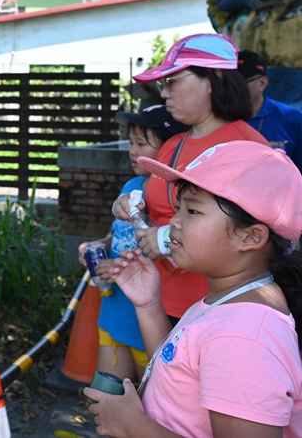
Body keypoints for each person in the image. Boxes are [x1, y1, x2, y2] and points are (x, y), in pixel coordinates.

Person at [85, 141, 302, 437]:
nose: (173, 222)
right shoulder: (230, 301)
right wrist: (148, 305)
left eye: (193, 211)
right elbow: (178, 370)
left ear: (251, 237)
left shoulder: (243, 335)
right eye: (178, 208)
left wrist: (132, 425)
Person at [115, 33, 268, 323]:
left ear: (214, 80)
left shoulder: (248, 147)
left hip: (220, 309)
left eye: (172, 82)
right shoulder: (173, 144)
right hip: (159, 301)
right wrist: (130, 202)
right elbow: (155, 201)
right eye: (162, 84)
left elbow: (258, 235)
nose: (163, 94)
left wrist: (166, 236)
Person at [78, 103, 189, 381]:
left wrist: (119, 266)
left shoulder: (177, 197)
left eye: (142, 143)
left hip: (145, 317)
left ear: (170, 148)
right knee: (106, 398)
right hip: (113, 309)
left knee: (147, 400)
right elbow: (118, 234)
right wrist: (101, 245)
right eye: (131, 142)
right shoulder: (130, 187)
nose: (133, 150)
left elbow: (173, 256)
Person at [237, 49, 302, 171]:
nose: (234, 88)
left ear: (262, 83)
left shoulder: (292, 119)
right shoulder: (217, 117)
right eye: (230, 82)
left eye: (241, 82)